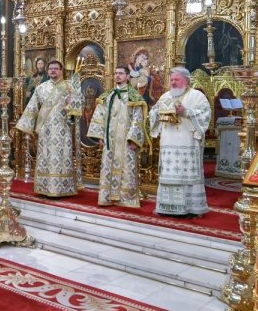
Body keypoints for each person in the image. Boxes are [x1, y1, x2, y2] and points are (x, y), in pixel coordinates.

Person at [148, 67, 211, 217]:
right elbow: (153, 113)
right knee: (169, 175)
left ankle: (191, 209)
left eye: (177, 79)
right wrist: (156, 112)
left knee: (186, 176)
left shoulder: (197, 96)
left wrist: (185, 112)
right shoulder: (165, 96)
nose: (173, 83)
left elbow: (205, 115)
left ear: (186, 80)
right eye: (172, 80)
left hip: (187, 142)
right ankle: (166, 207)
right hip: (168, 142)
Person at [16, 59, 83, 198]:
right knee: (46, 157)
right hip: (45, 130)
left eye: (56, 69)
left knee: (62, 157)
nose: (53, 71)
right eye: (51, 69)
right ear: (48, 71)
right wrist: (26, 126)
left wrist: (72, 103)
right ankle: (44, 186)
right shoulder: (41, 88)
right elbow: (32, 107)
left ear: (61, 70)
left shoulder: (70, 86)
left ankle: (63, 187)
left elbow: (79, 106)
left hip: (62, 129)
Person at [87, 67, 149, 208]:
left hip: (126, 141)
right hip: (110, 140)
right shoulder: (107, 95)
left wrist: (134, 139)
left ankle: (126, 199)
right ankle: (107, 197)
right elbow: (99, 116)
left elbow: (138, 119)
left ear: (127, 76)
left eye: (121, 73)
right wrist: (99, 136)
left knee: (127, 168)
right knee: (108, 167)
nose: (117, 76)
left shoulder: (134, 96)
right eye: (115, 73)